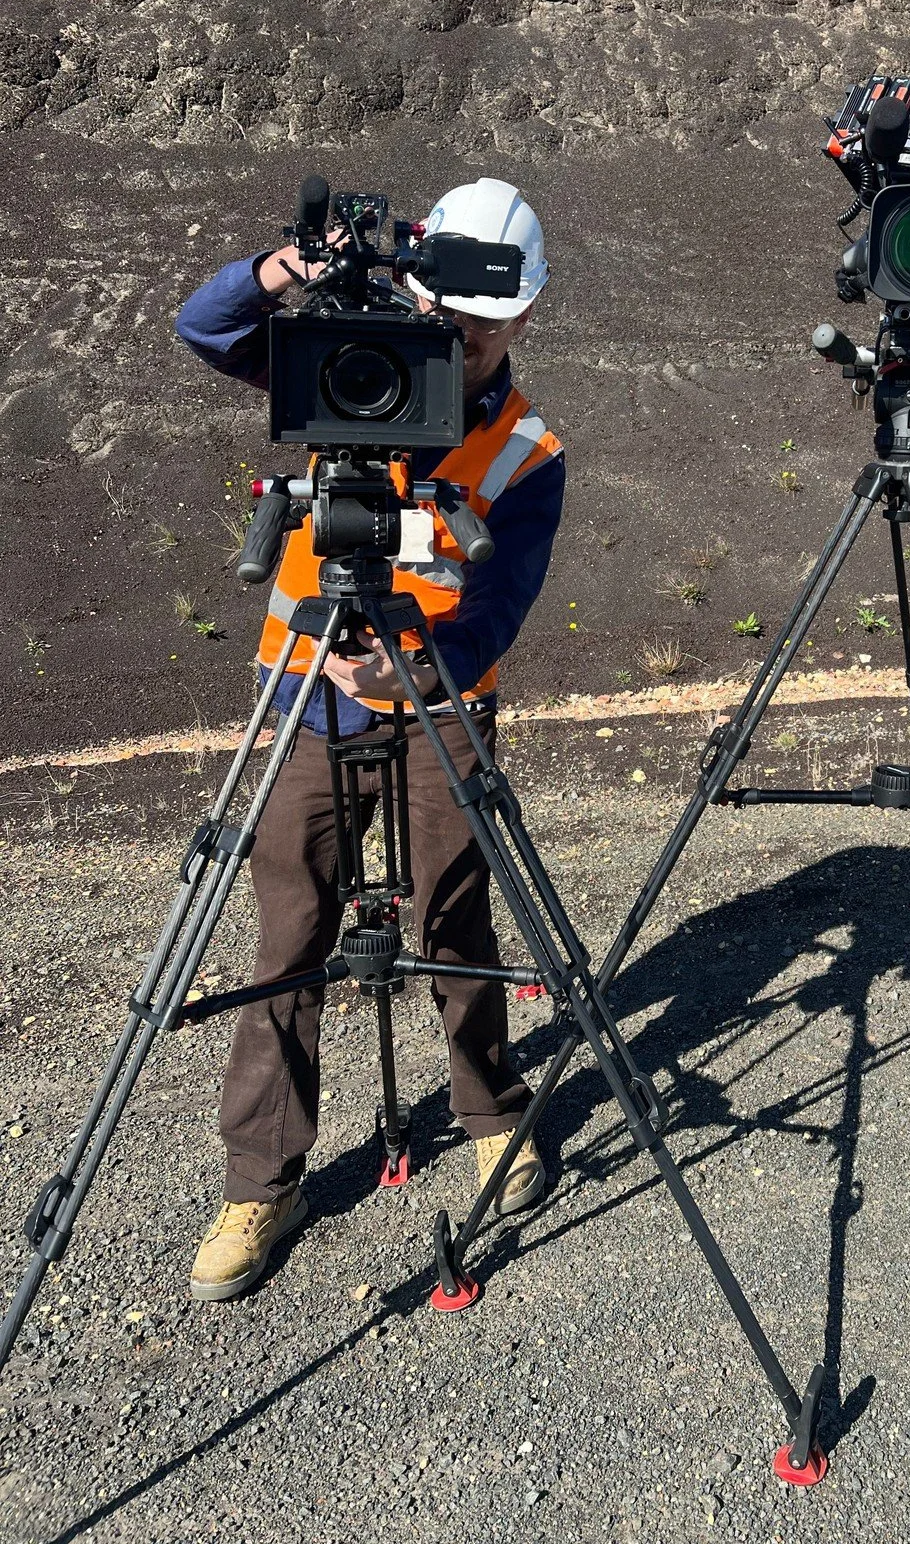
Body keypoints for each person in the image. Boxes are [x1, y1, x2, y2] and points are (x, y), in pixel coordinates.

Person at [173, 178, 564, 1301]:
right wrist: (287, 270)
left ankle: (490, 1112)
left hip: (440, 703)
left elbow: (503, 602)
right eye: (451, 307)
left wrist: (421, 666)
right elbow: (208, 328)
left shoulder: (529, 449)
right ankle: (262, 1180)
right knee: (290, 931)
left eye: (491, 316)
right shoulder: (340, 355)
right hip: (307, 693)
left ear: (527, 313)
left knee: (453, 913)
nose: (467, 332)